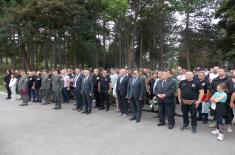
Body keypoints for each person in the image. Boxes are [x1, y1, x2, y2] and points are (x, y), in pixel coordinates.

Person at [210, 68, 234, 132]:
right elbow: (211, 88)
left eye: (221, 71)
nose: (219, 72)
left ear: (224, 72)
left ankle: (229, 125)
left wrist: (222, 94)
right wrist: (215, 94)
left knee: (228, 113)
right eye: (219, 71)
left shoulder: (229, 80)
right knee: (216, 113)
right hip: (216, 100)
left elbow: (231, 90)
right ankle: (216, 124)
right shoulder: (214, 80)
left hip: (225, 100)